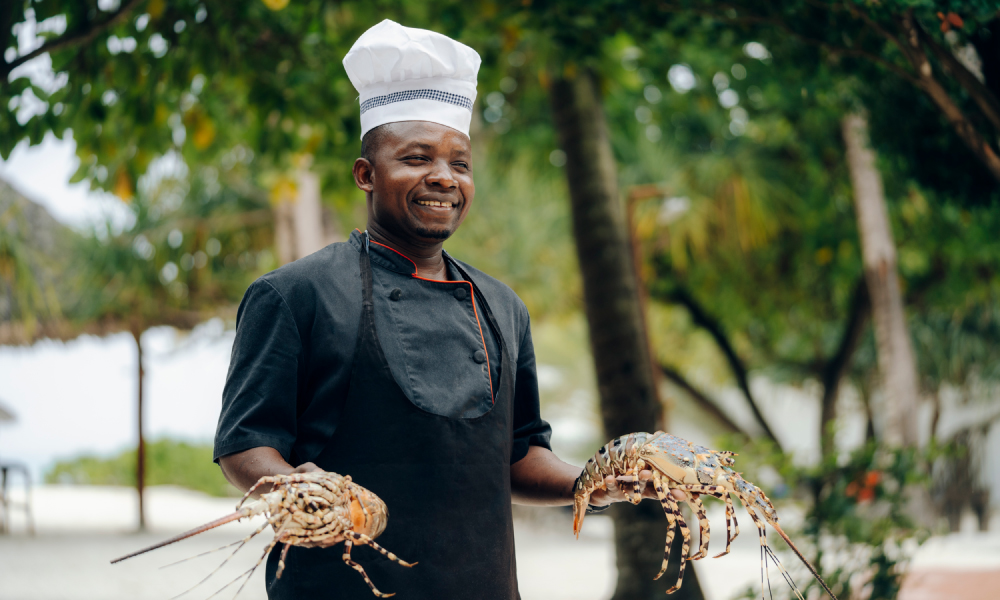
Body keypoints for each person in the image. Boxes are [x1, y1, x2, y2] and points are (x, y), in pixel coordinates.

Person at [214, 20, 683, 600]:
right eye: (416, 158)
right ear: (366, 174)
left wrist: (595, 482)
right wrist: (291, 484)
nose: (443, 177)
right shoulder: (295, 294)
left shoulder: (503, 308)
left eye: (459, 163)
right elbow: (244, 443)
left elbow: (520, 455)